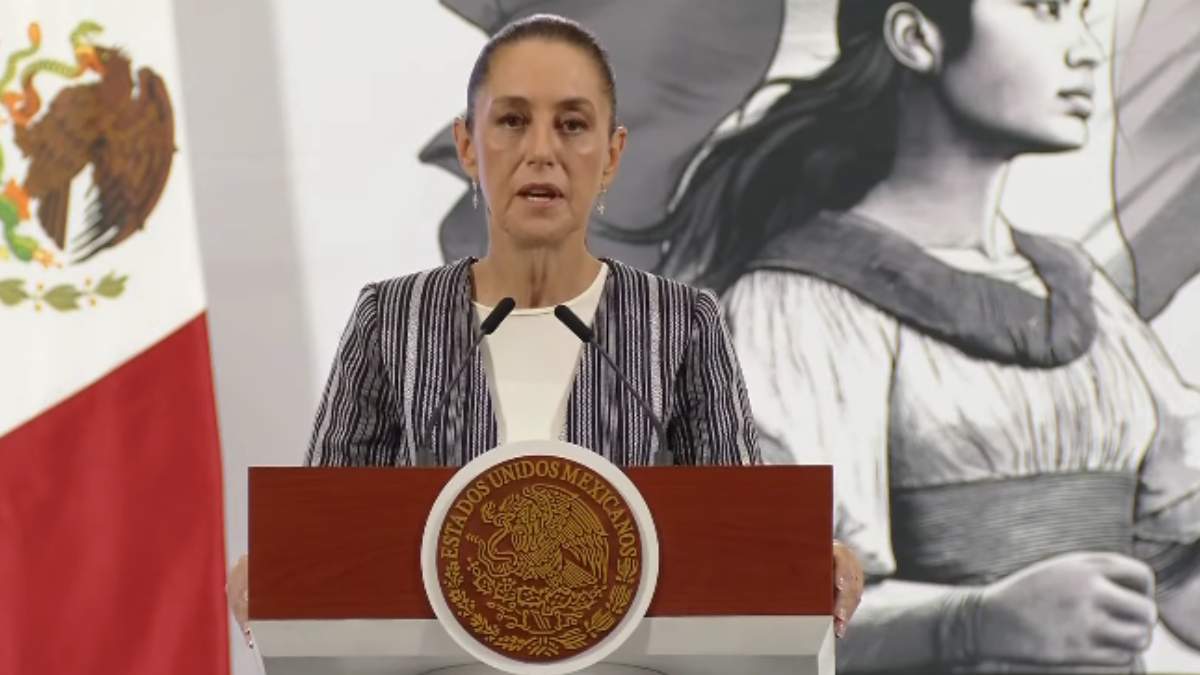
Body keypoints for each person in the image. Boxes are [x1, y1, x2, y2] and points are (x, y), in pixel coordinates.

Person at [226, 13, 865, 649]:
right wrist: (280, 567)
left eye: (572, 125)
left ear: (611, 155)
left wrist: (805, 560)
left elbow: (744, 534)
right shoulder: (392, 321)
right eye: (511, 121)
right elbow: (328, 534)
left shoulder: (679, 325)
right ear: (468, 145)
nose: (541, 151)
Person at [647, 0, 1200, 673]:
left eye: (1084, 15)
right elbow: (754, 611)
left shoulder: (1082, 290)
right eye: (1044, 10)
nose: (1085, 50)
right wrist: (973, 620)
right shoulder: (799, 303)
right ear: (915, 37)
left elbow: (1176, 568)